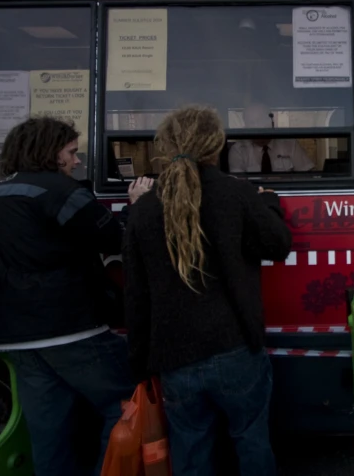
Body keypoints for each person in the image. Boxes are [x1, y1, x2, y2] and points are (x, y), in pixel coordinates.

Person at [0, 117, 150, 476]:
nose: (77, 161)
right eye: (70, 152)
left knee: (49, 432)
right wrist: (136, 205)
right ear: (49, 152)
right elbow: (116, 239)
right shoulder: (61, 192)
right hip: (68, 328)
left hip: (12, 338)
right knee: (129, 405)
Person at [123, 105, 292, 476]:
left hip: (174, 359)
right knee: (251, 441)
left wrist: (139, 366)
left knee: (190, 449)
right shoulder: (238, 194)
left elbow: (136, 298)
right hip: (235, 349)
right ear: (218, 146)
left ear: (165, 146)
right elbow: (277, 245)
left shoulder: (144, 209)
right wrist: (269, 204)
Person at [228, 102, 315, 173]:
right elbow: (238, 185)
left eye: (260, 120)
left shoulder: (290, 144)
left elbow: (305, 175)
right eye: (251, 122)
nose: (257, 126)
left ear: (270, 122)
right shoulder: (238, 150)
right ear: (245, 126)